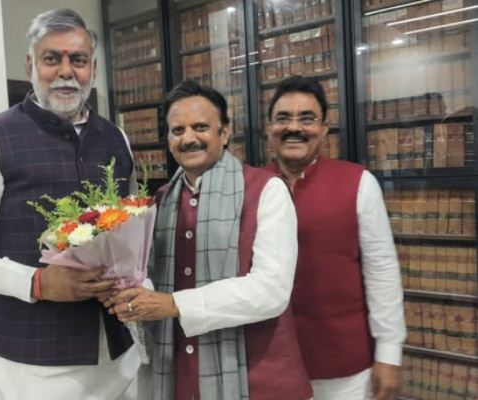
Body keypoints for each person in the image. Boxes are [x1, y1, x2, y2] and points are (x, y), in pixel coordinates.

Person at [0, 9, 141, 400]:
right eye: (52, 58)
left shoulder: (116, 137)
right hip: (33, 369)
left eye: (78, 59)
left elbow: (128, 234)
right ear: (31, 65)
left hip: (118, 356)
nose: (66, 71)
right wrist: (37, 283)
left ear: (93, 68)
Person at [107, 80, 312, 400]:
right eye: (177, 130)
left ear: (224, 132)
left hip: (258, 381)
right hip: (178, 377)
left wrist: (174, 304)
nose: (189, 138)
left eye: (200, 127)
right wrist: (130, 295)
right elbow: (150, 277)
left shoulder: (266, 190)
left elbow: (271, 291)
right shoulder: (160, 201)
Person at [264, 75, 407, 400]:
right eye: (283, 118)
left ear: (324, 128)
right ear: (269, 127)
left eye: (307, 118)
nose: (294, 127)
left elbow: (382, 271)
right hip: (270, 363)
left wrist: (389, 353)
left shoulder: (358, 183)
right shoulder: (252, 186)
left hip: (345, 368)